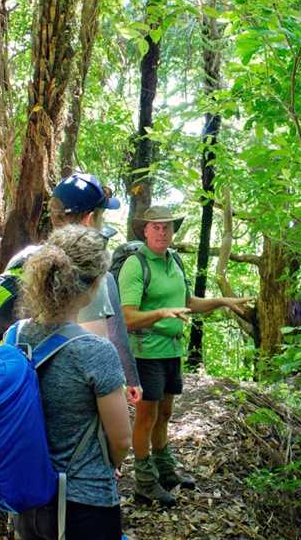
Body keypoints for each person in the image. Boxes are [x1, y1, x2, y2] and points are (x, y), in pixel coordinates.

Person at [118, 206, 252, 506]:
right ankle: (144, 482)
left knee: (165, 414)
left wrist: (221, 301)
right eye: (156, 226)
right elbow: (127, 317)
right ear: (144, 230)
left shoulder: (174, 261)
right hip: (145, 353)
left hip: (171, 351)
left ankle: (166, 471)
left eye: (166, 226)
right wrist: (161, 313)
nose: (162, 232)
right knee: (146, 417)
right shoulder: (135, 265)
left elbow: (187, 302)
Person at [14, 225, 131, 540]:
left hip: (28, 498)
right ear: (94, 286)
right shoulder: (95, 351)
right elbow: (121, 440)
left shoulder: (16, 336)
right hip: (85, 503)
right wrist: (111, 463)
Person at [47, 173, 142, 403]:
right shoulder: (95, 278)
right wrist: (131, 380)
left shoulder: (26, 260)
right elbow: (101, 350)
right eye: (102, 216)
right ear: (90, 219)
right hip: (73, 407)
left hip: (27, 404)